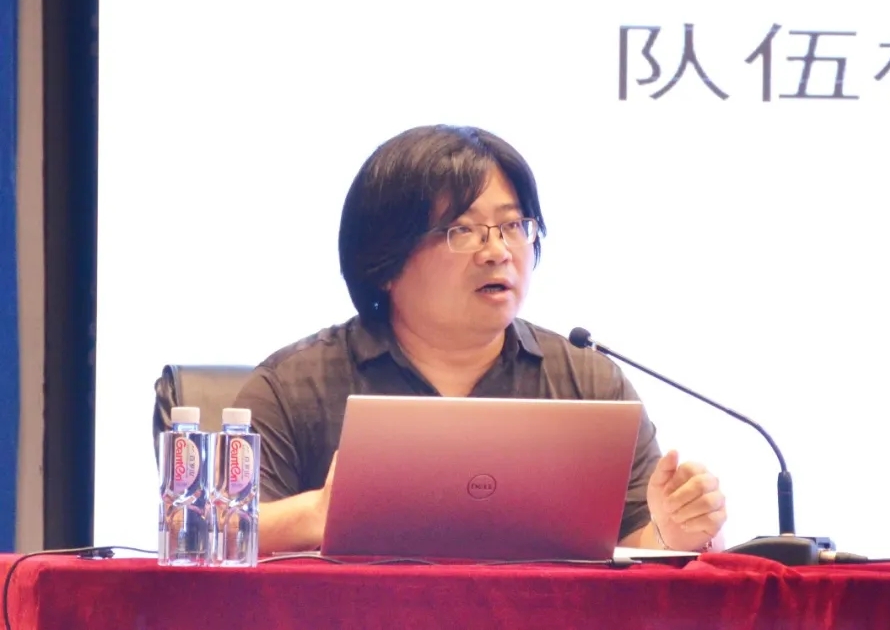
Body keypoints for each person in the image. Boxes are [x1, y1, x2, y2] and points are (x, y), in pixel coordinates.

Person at [234, 124, 728, 556]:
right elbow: (213, 527)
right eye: (463, 230)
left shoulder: (587, 381)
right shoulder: (294, 386)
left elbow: (634, 546)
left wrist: (671, 532)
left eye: (513, 226)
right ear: (384, 262)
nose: (498, 251)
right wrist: (319, 515)